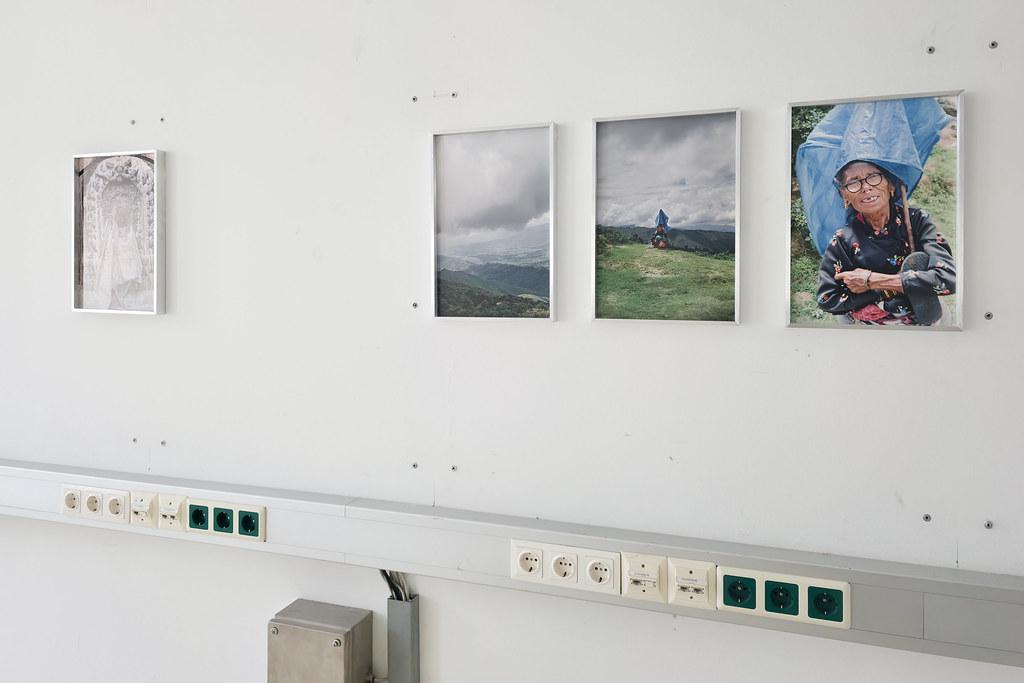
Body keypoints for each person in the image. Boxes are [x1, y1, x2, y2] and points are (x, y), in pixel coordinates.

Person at [815, 160, 955, 325]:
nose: (866, 187)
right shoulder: (843, 240)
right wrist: (886, 290)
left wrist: (872, 281)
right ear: (845, 195)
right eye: (853, 183)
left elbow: (949, 279)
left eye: (873, 177)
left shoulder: (916, 221)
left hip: (927, 319)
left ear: (891, 185)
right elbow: (827, 299)